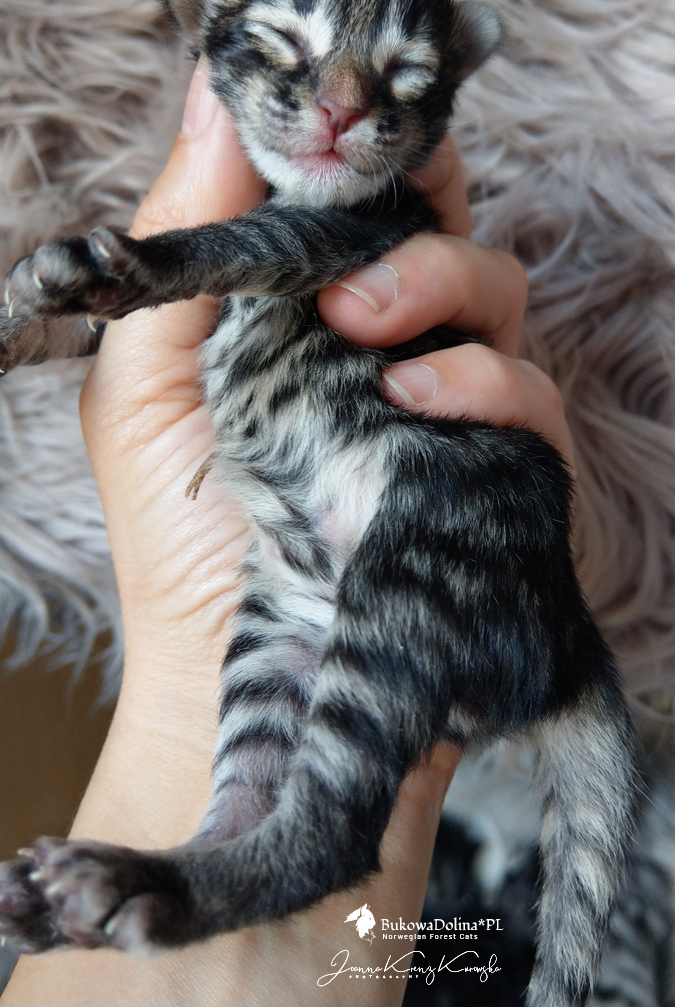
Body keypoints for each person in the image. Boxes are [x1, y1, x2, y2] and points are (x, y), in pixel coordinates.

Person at [3, 61, 574, 1007]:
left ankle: (251, 866)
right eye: (289, 57)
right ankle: (239, 865)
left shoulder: (367, 210)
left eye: (399, 73)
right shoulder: (239, 216)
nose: (337, 105)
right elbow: (146, 304)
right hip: (332, 621)